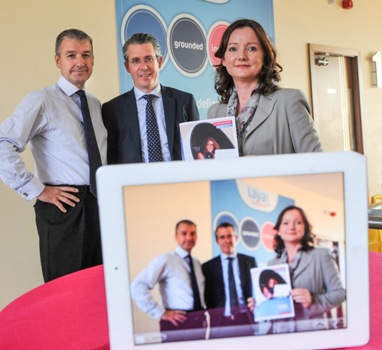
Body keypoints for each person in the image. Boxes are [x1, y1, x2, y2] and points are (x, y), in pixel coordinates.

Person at [0, 29, 107, 282]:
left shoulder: (94, 103)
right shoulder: (41, 101)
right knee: (65, 291)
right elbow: (3, 142)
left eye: (86, 54)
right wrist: (36, 189)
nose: (80, 61)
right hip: (63, 206)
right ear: (58, 60)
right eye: (71, 55)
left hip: (97, 204)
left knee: (97, 286)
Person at [208, 19, 322, 156]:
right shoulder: (215, 113)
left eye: (251, 48)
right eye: (233, 49)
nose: (241, 56)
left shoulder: (289, 102)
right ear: (224, 60)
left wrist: (263, 165)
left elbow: (317, 164)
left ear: (265, 57)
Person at [102, 33, 200, 164]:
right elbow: (111, 158)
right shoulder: (112, 110)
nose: (144, 67)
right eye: (136, 60)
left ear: (159, 62)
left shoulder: (184, 101)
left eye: (148, 59)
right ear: (127, 67)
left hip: (178, 181)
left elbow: (196, 149)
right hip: (135, 183)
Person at [253, 205, 346, 334]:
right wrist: (259, 304)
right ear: (278, 231)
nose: (291, 227)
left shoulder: (321, 255)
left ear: (305, 228)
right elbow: (271, 302)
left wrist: (313, 301)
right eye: (286, 223)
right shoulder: (272, 263)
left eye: (298, 222)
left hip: (311, 333)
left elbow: (340, 294)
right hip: (278, 335)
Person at [130, 219, 206, 342]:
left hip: (199, 321)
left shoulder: (197, 264)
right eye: (184, 233)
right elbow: (138, 286)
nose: (189, 237)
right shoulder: (165, 260)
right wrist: (159, 312)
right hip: (177, 323)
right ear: (176, 236)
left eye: (192, 233)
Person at [202, 222, 257, 338]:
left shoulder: (249, 261)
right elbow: (207, 297)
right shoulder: (208, 267)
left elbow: (257, 290)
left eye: (229, 236)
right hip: (220, 323)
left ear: (236, 238)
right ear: (217, 241)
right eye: (222, 237)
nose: (226, 240)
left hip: (246, 320)